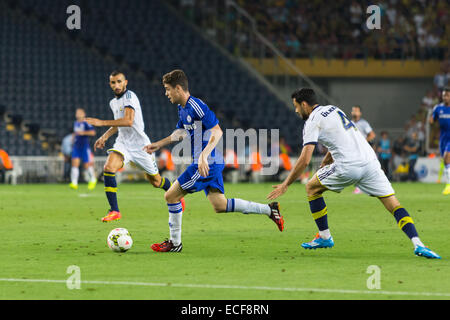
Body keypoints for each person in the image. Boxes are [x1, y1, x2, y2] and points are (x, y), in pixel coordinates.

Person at [267, 88, 441, 259]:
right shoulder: (334, 109)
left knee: (311, 188)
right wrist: (329, 156)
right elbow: (343, 135)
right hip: (370, 162)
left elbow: (305, 160)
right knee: (394, 205)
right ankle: (418, 244)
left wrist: (286, 184)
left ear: (304, 104)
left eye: (296, 106)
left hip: (348, 165)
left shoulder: (312, 121)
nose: (296, 110)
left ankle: (325, 237)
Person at [144, 69, 284, 252]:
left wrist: (203, 155)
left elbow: (217, 131)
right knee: (220, 205)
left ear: (178, 88)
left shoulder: (196, 106)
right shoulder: (182, 108)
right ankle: (270, 210)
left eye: (168, 89)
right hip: (211, 161)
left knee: (170, 195)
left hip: (206, 162)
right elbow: (181, 132)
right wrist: (159, 144)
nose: (166, 93)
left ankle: (174, 243)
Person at [85, 71, 184, 222]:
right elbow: (119, 123)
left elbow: (128, 121)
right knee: (108, 168)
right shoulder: (113, 103)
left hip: (141, 146)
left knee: (156, 182)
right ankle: (115, 211)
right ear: (110, 84)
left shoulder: (130, 96)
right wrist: (104, 136)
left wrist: (101, 122)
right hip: (123, 143)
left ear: (126, 82)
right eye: (113, 82)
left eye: (119, 81)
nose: (116, 85)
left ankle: (177, 194)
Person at [69, 108, 97, 190]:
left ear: (83, 114)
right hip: (76, 146)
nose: (77, 114)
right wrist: (73, 137)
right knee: (74, 163)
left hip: (84, 147)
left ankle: (93, 179)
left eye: (79, 112)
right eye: (77, 112)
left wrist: (83, 133)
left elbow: (93, 132)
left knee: (86, 165)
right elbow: (75, 132)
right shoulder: (76, 123)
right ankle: (74, 183)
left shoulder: (86, 123)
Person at [351, 105, 376, 194]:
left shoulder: (364, 123)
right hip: (353, 150)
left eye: (357, 111)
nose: (355, 112)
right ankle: (363, 186)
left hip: (362, 150)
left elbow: (372, 135)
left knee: (361, 167)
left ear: (360, 113)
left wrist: (363, 142)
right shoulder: (349, 123)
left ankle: (360, 187)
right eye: (353, 110)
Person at [429, 87, 450, 195]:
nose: (445, 97)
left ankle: (448, 185)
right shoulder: (438, 108)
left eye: (447, 95)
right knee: (446, 161)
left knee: (447, 158)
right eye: (443, 96)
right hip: (443, 138)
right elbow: (432, 120)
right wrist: (431, 121)